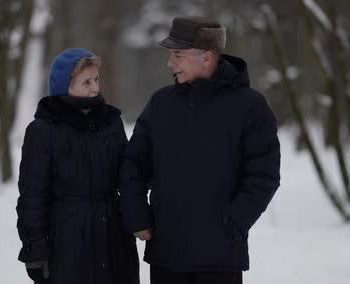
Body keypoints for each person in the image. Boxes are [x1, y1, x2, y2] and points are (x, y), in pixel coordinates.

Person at [120, 17, 281, 284]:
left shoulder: (250, 107)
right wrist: (137, 215)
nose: (170, 62)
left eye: (177, 55)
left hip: (220, 257)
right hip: (166, 254)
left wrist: (233, 223)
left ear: (205, 57)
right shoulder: (161, 104)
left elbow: (264, 175)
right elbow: (134, 165)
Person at [16, 48, 139, 284]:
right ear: (65, 86)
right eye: (86, 82)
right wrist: (35, 250)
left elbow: (130, 176)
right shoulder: (42, 132)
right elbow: (32, 197)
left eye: (96, 80)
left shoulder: (111, 123)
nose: (95, 87)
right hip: (66, 244)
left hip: (114, 239)